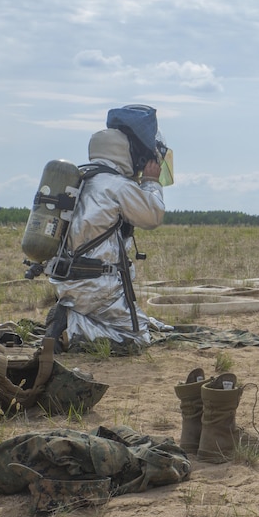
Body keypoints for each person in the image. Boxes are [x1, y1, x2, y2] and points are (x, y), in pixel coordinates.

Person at [46, 105, 173, 354]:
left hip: (69, 282)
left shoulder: (82, 177)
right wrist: (150, 183)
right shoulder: (116, 186)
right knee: (136, 339)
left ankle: (72, 314)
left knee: (137, 320)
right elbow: (152, 216)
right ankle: (71, 326)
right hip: (99, 286)